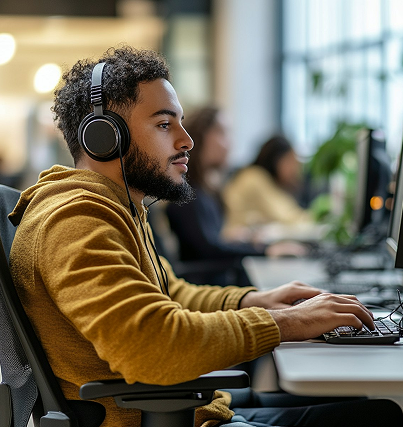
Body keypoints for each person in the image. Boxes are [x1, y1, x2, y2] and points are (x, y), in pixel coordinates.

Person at [8, 46, 402, 427]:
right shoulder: (77, 221)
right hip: (155, 417)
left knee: (372, 411)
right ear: (104, 136)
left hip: (186, 410)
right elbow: (151, 346)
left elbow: (171, 293)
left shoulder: (117, 207)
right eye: (164, 124)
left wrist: (253, 299)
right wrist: (284, 323)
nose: (186, 140)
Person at [223, 135, 313, 231]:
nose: (296, 170)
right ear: (277, 161)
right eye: (291, 162)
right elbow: (286, 217)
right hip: (236, 241)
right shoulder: (253, 177)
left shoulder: (260, 178)